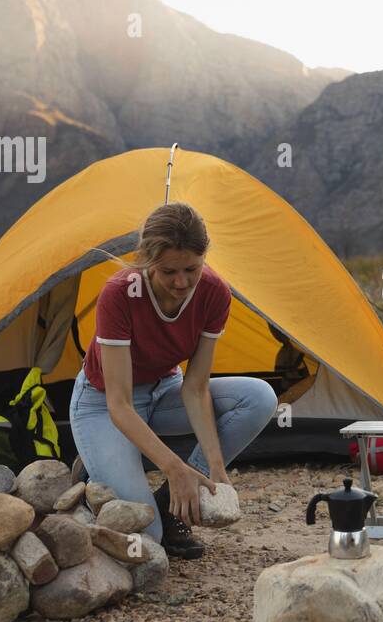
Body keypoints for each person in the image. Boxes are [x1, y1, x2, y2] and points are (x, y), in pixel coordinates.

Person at [69, 203, 278, 558]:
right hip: (104, 404)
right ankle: (96, 478)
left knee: (259, 398)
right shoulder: (120, 294)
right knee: (146, 538)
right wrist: (173, 465)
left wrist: (214, 467)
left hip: (166, 392)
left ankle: (174, 500)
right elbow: (118, 405)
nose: (181, 282)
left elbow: (195, 388)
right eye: (168, 272)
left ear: (204, 257)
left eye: (191, 269)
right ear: (148, 260)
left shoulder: (214, 292)